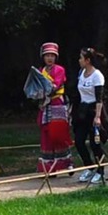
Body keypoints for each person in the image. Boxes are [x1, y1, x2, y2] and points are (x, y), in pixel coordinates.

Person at [32, 42, 73, 175]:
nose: (50, 58)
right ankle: (48, 167)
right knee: (46, 135)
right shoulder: (40, 71)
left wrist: (45, 92)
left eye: (52, 55)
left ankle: (66, 163)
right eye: (47, 55)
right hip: (44, 105)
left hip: (56, 104)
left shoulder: (60, 70)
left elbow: (54, 86)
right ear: (43, 57)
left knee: (58, 133)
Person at [74, 47, 108, 183]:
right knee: (79, 141)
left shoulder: (97, 75)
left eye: (81, 58)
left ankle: (100, 171)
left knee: (95, 144)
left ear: (87, 60)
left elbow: (99, 98)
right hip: (83, 110)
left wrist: (98, 116)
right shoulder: (81, 73)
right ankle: (89, 167)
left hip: (94, 110)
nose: (79, 60)